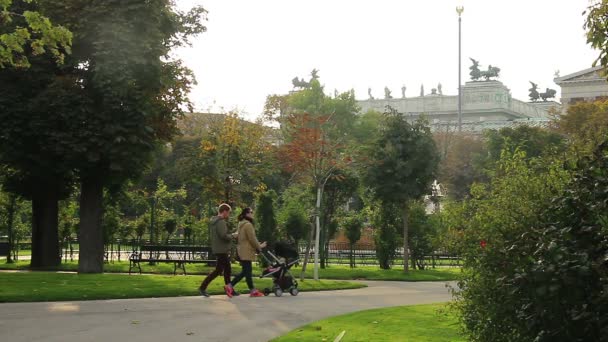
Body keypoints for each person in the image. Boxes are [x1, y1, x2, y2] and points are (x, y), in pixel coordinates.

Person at [224, 207, 267, 297]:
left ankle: (250, 290)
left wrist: (256, 244)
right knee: (247, 271)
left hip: (242, 250)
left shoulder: (241, 223)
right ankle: (232, 286)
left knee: (246, 271)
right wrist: (260, 246)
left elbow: (245, 238)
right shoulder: (248, 225)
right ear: (247, 214)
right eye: (251, 212)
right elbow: (252, 239)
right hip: (247, 250)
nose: (252, 214)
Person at [198, 203, 236, 297]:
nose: (229, 215)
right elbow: (223, 236)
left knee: (220, 270)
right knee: (227, 269)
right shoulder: (221, 221)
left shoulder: (214, 221)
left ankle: (203, 287)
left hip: (217, 248)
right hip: (222, 249)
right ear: (224, 211)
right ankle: (203, 288)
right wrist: (233, 235)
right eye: (229, 212)